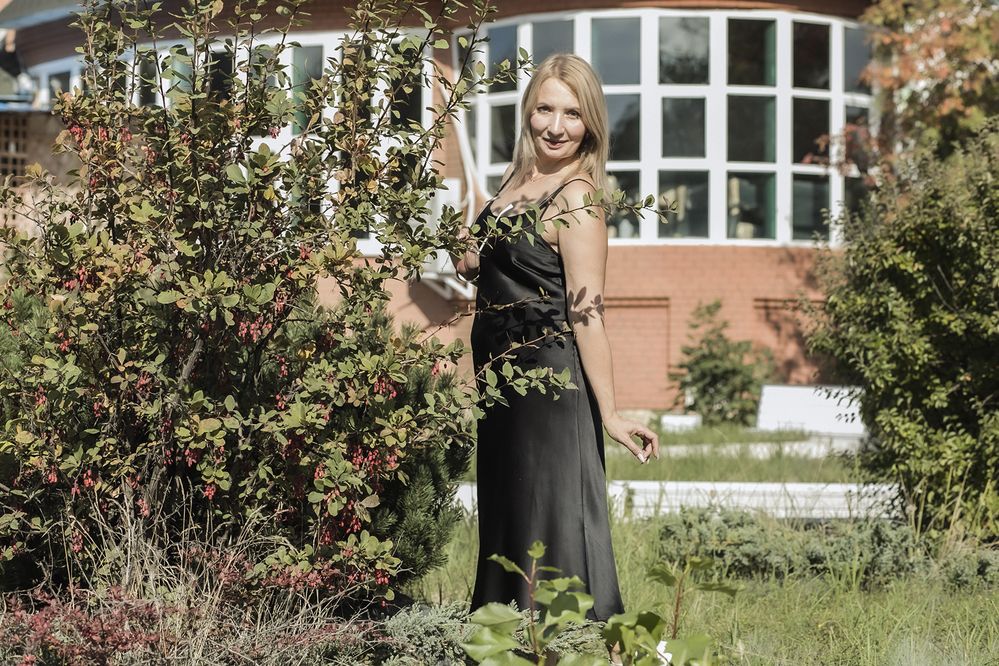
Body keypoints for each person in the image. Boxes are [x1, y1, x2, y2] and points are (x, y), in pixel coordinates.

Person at [453, 54, 659, 622]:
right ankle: (506, 644)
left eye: (572, 113)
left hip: (548, 386)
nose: (556, 126)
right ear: (528, 110)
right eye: (545, 108)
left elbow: (587, 313)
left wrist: (610, 414)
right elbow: (498, 270)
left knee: (550, 522)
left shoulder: (578, 197)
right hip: (502, 385)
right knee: (509, 518)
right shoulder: (516, 182)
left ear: (590, 124)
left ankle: (573, 644)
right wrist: (467, 254)